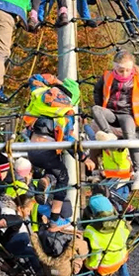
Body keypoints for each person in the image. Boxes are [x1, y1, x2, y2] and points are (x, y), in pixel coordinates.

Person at [24, 74, 95, 229]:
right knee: (63, 176)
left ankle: (46, 182)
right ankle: (55, 220)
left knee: (50, 172)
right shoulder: (65, 113)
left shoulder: (41, 93)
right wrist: (84, 158)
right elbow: (68, 141)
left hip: (31, 149)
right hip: (47, 150)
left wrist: (56, 80)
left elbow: (34, 79)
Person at [92, 50, 139, 190]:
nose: (124, 74)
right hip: (111, 113)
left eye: (128, 70)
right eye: (121, 70)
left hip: (127, 114)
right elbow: (97, 90)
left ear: (132, 67)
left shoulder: (138, 79)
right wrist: (100, 103)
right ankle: (108, 134)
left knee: (130, 137)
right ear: (114, 67)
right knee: (95, 110)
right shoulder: (107, 77)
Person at [82, 193, 131, 276]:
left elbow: (86, 247)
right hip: (119, 260)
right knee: (104, 259)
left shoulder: (90, 230)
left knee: (84, 265)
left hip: (101, 265)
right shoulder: (121, 223)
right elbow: (129, 230)